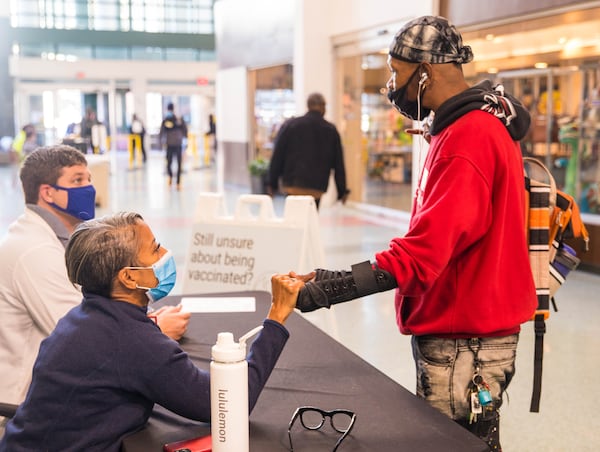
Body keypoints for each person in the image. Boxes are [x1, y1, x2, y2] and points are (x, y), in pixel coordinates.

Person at [293, 16, 536, 451]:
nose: (391, 84)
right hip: (471, 333)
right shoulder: (475, 123)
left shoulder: (468, 138)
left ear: (424, 72)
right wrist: (433, 130)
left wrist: (332, 287)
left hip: (466, 341)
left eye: (395, 72)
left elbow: (423, 254)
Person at [0, 212, 304, 452]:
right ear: (130, 277)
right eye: (155, 249)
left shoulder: (83, 317)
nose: (166, 253)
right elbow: (229, 403)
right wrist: (277, 315)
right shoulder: (132, 341)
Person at [0, 145, 189, 407]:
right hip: (27, 404)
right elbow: (83, 337)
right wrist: (156, 329)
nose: (89, 187)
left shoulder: (60, 238)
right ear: (47, 193)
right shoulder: (34, 251)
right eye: (77, 180)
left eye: (89, 178)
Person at [267, 93, 350, 209]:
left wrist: (272, 183)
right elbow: (338, 164)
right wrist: (342, 191)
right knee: (311, 219)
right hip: (316, 187)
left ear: (308, 106)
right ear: (323, 107)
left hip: (292, 184)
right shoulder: (330, 130)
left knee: (293, 219)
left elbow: (277, 155)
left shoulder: (290, 125)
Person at [159, 102, 188, 190]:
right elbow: (161, 132)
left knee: (176, 164)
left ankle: (177, 182)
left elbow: (185, 131)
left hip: (176, 145)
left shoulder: (178, 119)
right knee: (170, 163)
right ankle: (172, 178)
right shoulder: (166, 120)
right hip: (171, 145)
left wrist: (185, 143)